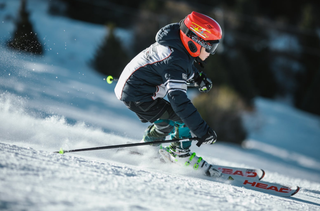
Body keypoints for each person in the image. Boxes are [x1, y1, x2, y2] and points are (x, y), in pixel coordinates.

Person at [115, 11, 222, 176]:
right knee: (182, 120)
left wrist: (198, 78)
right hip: (139, 96)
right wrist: (202, 131)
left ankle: (147, 148)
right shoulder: (174, 60)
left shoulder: (176, 45)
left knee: (166, 122)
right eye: (210, 47)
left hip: (135, 90)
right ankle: (181, 155)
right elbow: (178, 100)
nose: (211, 53)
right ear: (196, 41)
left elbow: (183, 65)